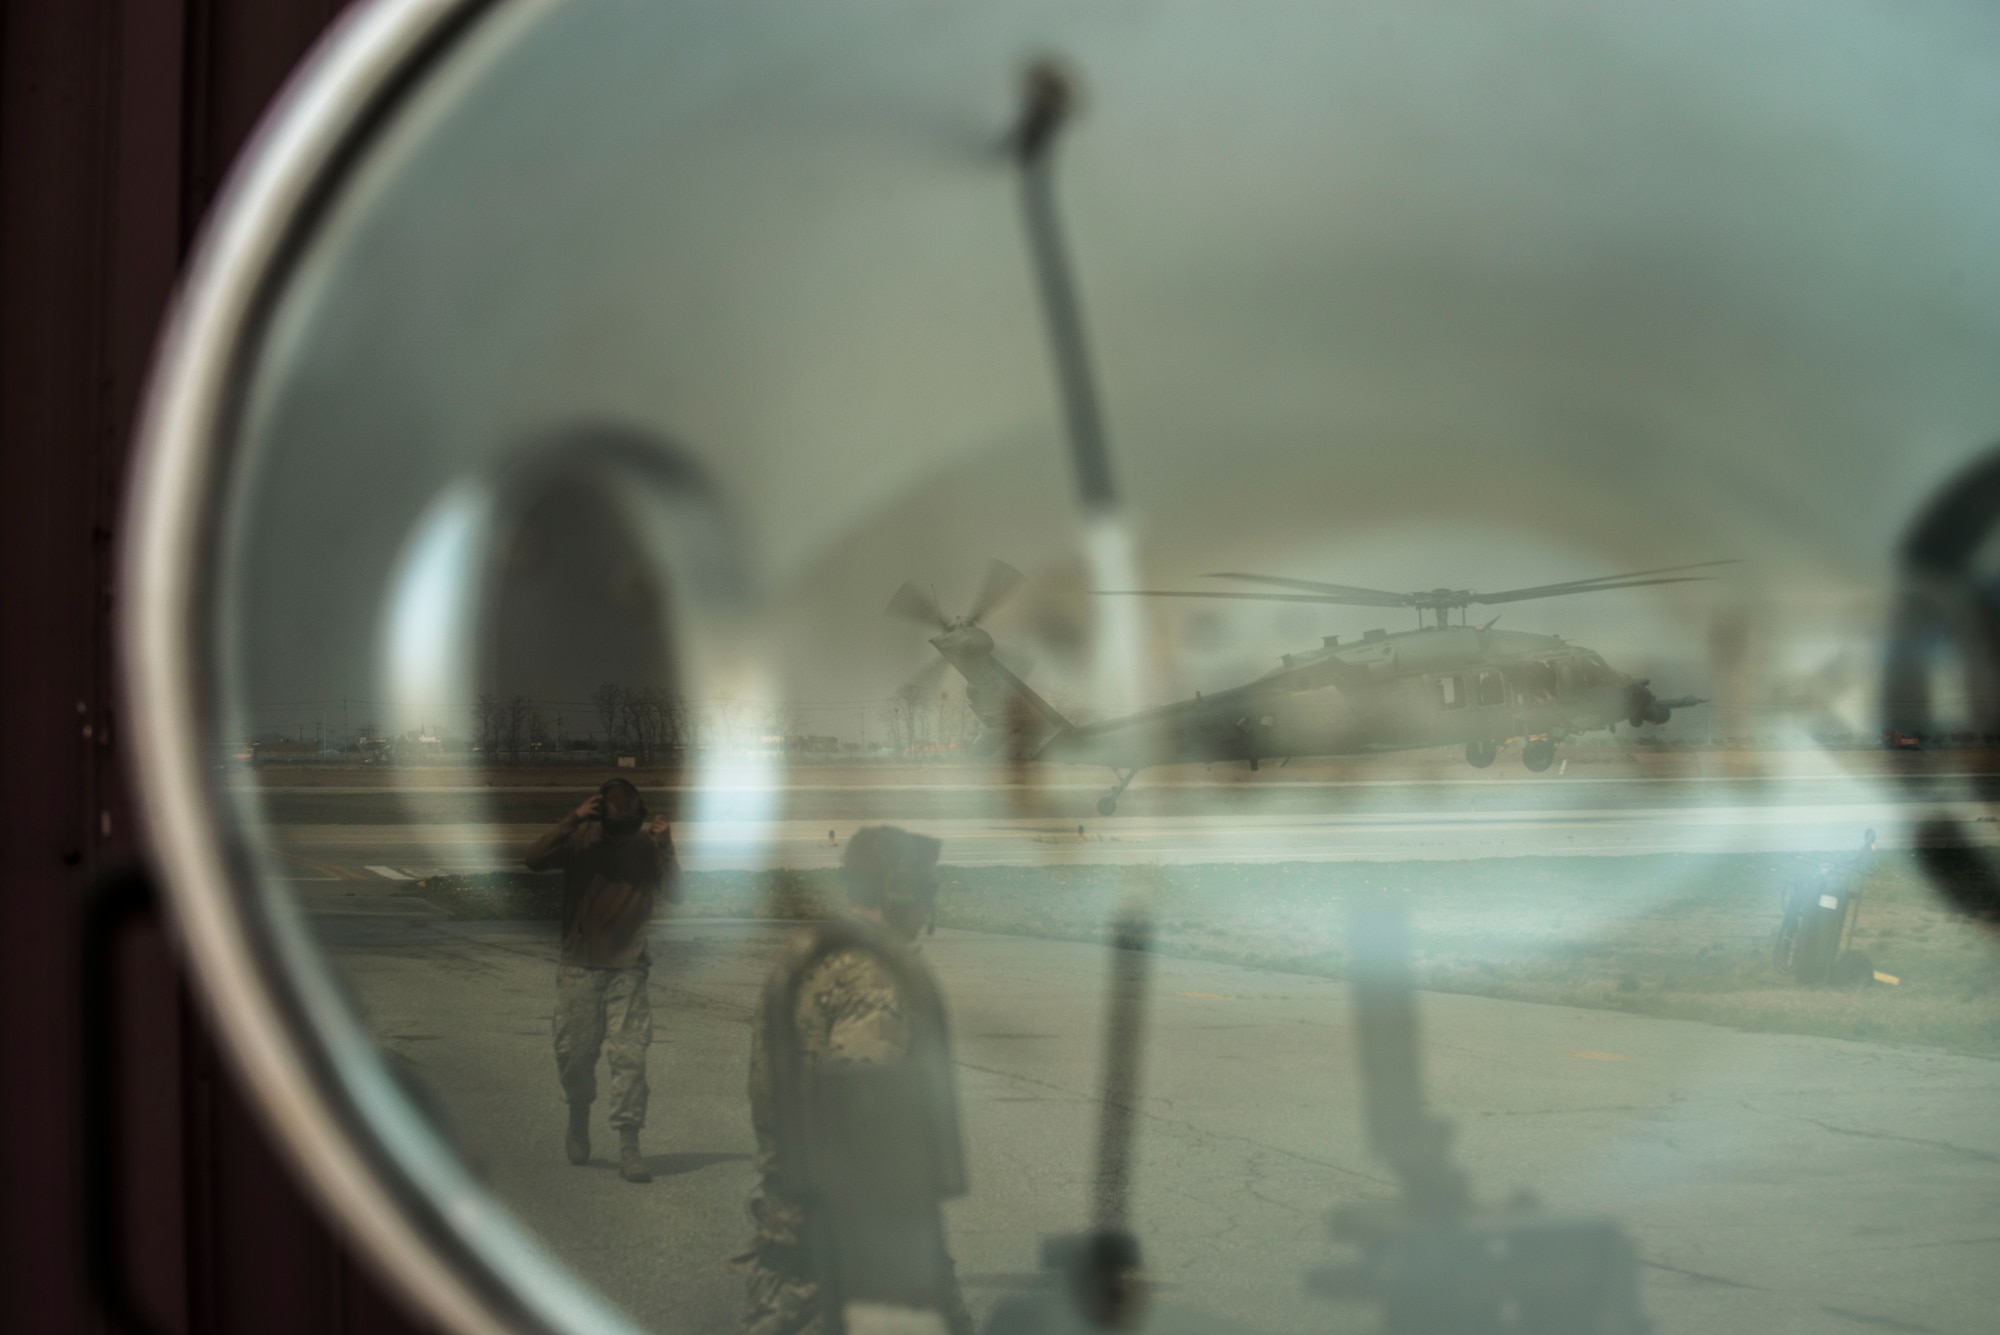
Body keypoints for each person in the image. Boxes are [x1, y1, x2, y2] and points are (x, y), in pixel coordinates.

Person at [736, 826, 973, 1335]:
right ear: (900, 891)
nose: (930, 905)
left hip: (796, 1202)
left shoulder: (812, 958)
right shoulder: (876, 978)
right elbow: (866, 1123)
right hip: (858, 1226)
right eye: (927, 891)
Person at [523, 776, 677, 1184]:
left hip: (628, 968)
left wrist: (667, 846)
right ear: (598, 813)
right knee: (574, 1056)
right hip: (579, 965)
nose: (625, 833)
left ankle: (630, 1145)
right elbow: (534, 859)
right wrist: (571, 820)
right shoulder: (582, 841)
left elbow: (676, 894)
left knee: (630, 1058)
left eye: (632, 824)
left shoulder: (646, 846)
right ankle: (578, 1111)